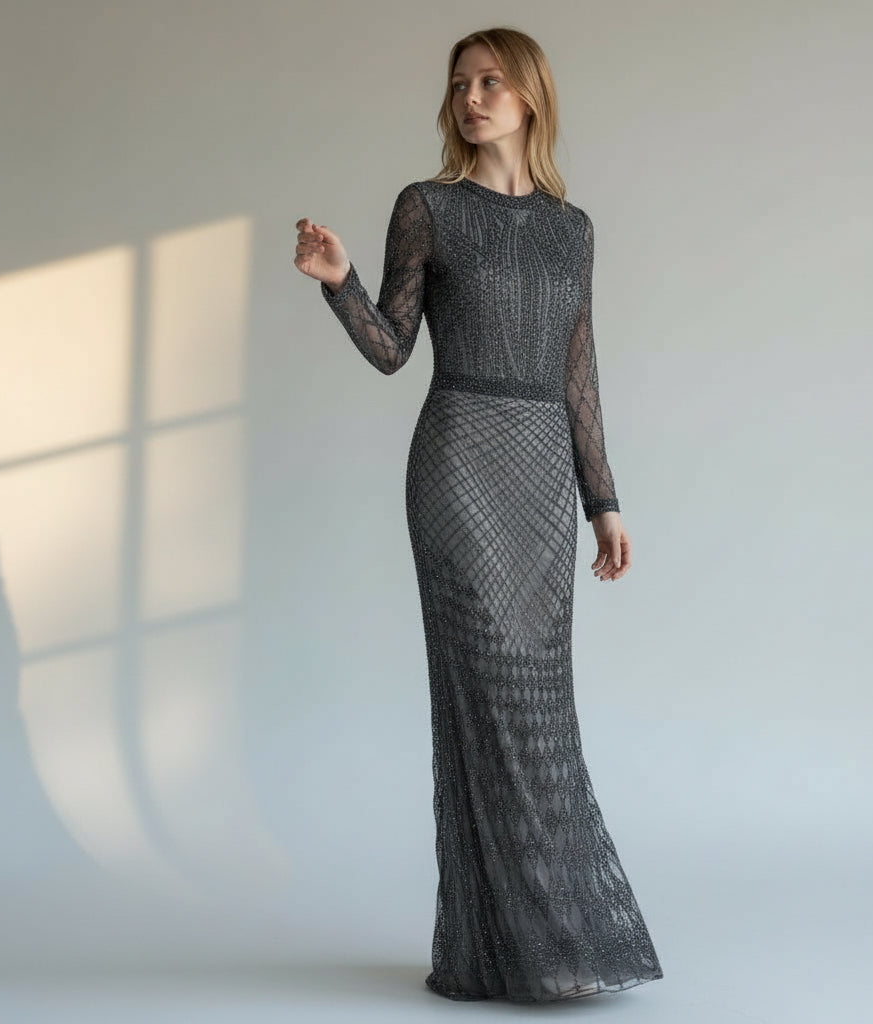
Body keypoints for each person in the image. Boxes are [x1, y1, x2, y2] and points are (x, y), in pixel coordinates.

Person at [294, 25, 662, 1003]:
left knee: (539, 702)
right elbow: (391, 348)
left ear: (530, 95)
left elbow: (578, 371)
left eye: (491, 81)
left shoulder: (571, 230)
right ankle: (526, 946)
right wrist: (340, 284)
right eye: (460, 83)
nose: (471, 97)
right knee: (490, 694)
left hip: (541, 470)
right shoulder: (428, 208)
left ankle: (528, 944)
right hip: (458, 458)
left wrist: (603, 501)